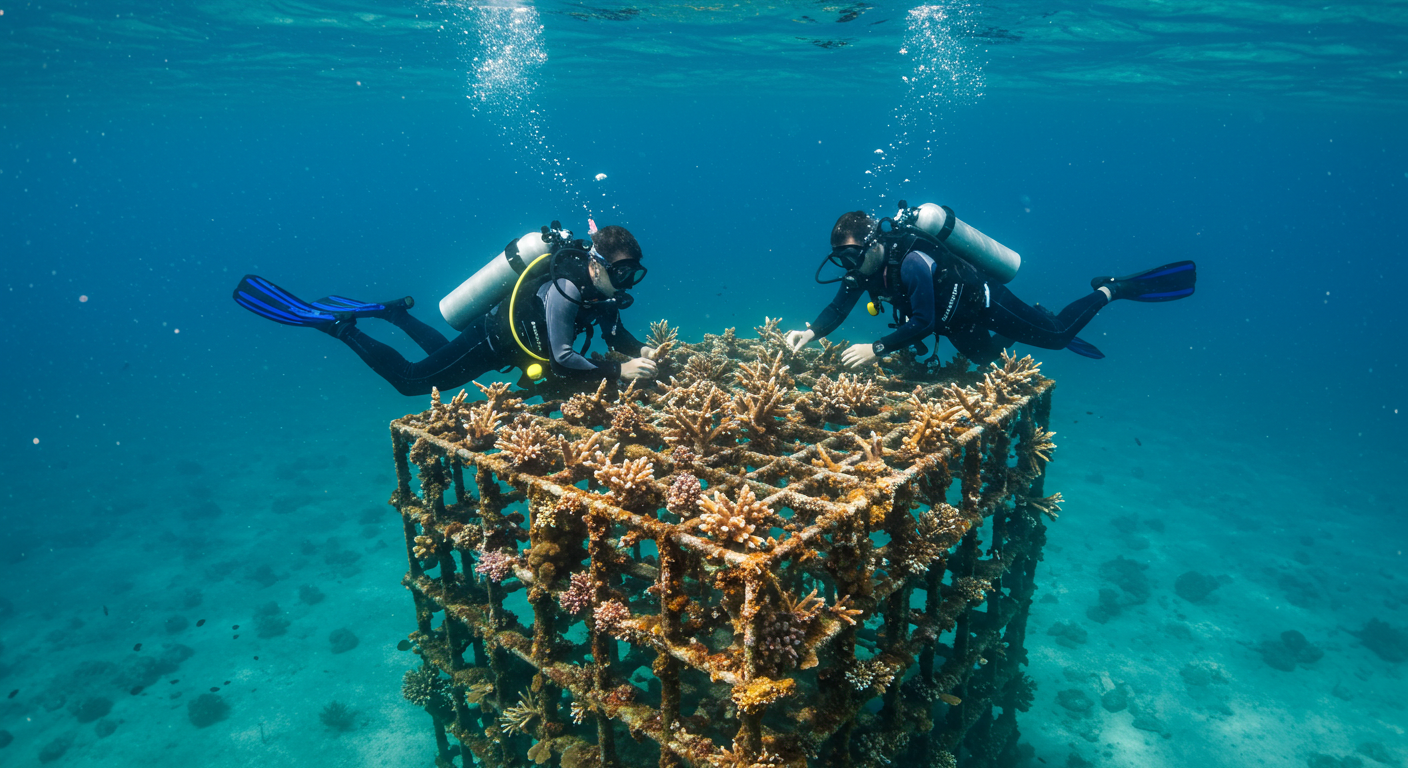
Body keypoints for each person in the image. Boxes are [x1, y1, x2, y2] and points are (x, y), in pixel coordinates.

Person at [233, 223, 659, 396]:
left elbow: (615, 335)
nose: (624, 284)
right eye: (620, 273)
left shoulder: (601, 292)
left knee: (441, 357)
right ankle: (341, 328)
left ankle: (396, 313)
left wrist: (639, 350)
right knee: (413, 381)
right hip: (494, 342)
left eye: (632, 276)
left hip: (507, 348)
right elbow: (562, 358)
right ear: (594, 263)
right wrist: (616, 372)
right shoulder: (567, 286)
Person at [784, 209, 1196, 366]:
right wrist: (810, 332)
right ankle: (1034, 317)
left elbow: (925, 320)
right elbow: (838, 308)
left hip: (982, 301)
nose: (849, 269)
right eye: (842, 260)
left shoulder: (910, 261)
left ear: (874, 244)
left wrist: (876, 349)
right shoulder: (863, 268)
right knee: (983, 357)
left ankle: (1112, 288)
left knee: (1056, 337)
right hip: (953, 320)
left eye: (854, 257)